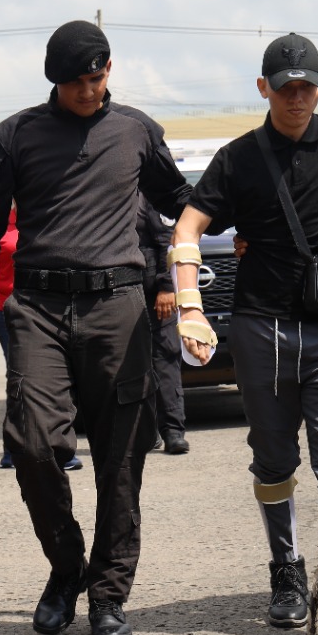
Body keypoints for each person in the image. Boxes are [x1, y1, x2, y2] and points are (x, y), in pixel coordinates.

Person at [0, 21, 190, 635]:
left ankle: (108, 595)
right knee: (32, 443)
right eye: (75, 82)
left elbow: (179, 198)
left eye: (96, 78)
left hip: (118, 306)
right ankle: (67, 568)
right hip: (38, 307)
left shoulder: (136, 130)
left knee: (122, 457)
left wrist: (234, 219)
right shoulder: (16, 136)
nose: (88, 91)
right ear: (54, 81)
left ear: (109, 70)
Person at [172, 33, 318, 635]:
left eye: (307, 87)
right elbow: (188, 228)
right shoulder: (238, 157)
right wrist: (191, 308)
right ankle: (286, 570)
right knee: (274, 461)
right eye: (286, 87)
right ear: (263, 88)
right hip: (260, 328)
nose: (297, 98)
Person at [138, 194, 189, 454]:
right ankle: (145, 432)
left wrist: (167, 286)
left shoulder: (149, 195)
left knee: (164, 358)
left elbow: (168, 240)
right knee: (128, 365)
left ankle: (172, 431)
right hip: (121, 291)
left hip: (154, 293)